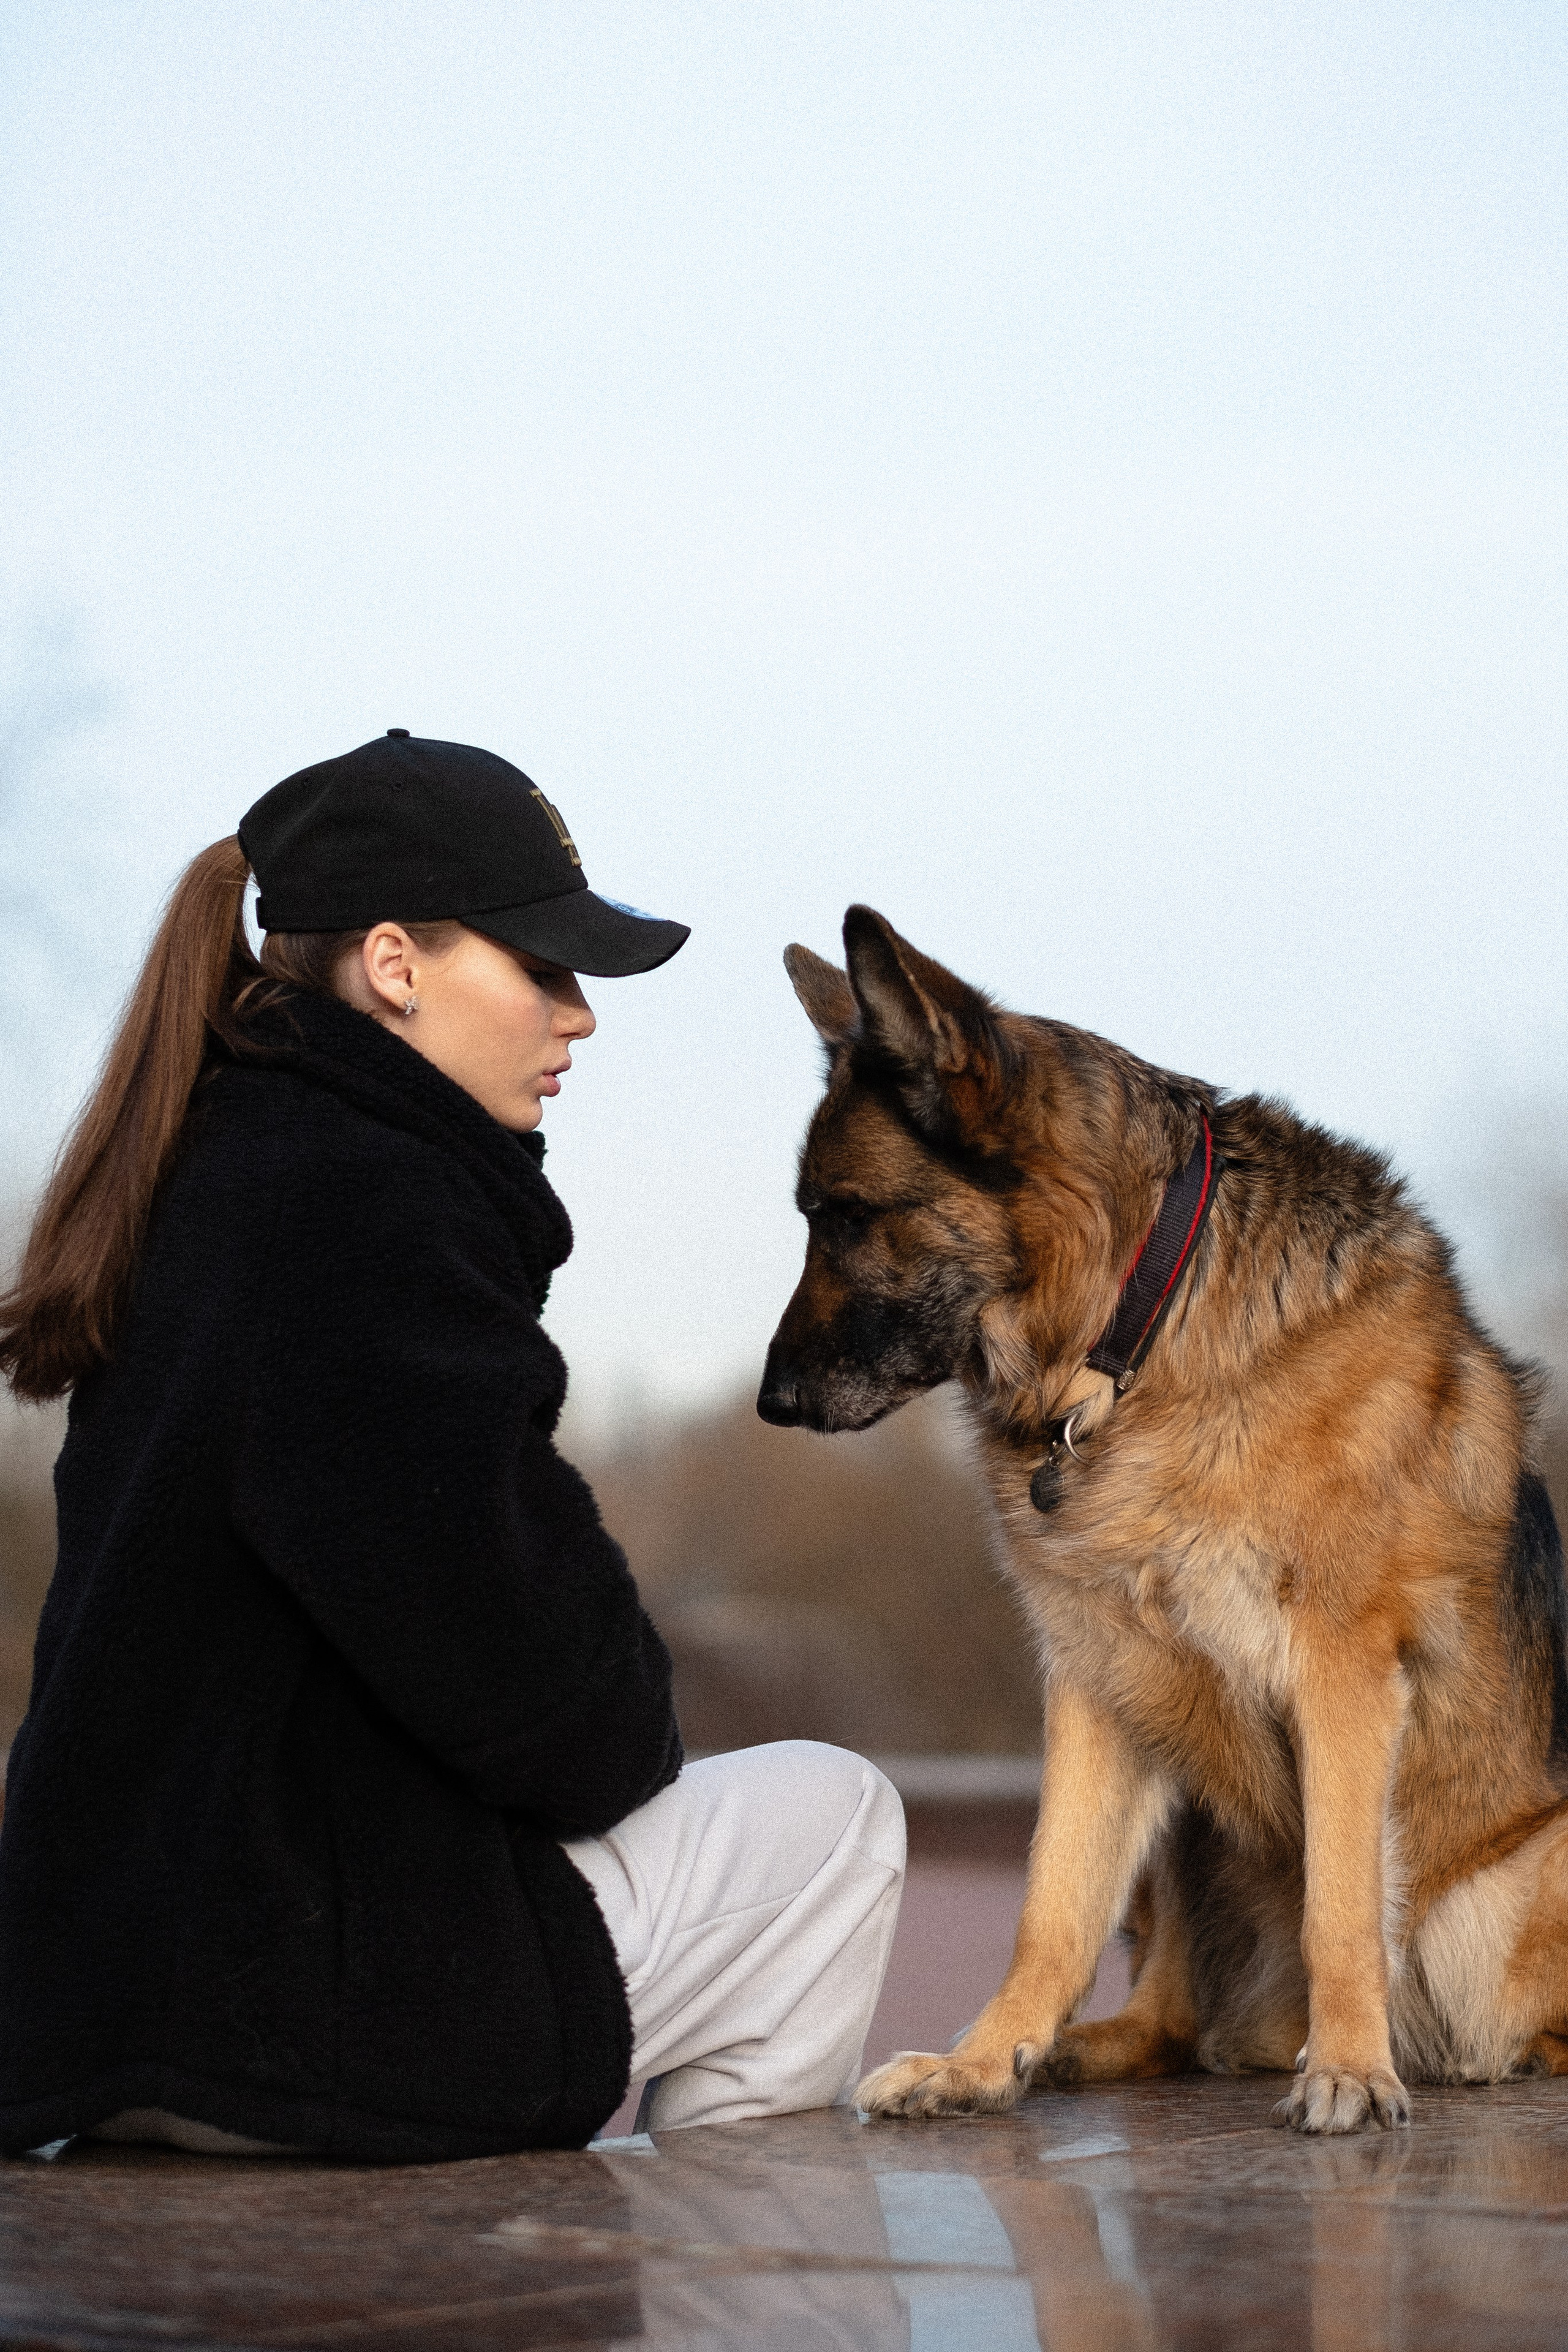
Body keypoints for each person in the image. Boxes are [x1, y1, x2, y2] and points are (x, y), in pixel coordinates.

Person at [0, 731, 905, 2161]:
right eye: (540, 968)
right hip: (291, 2019)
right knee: (834, 1820)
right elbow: (570, 1718)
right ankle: (741, 2299)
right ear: (394, 964)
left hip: (105, 2006)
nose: (577, 1017)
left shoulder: (223, 1169)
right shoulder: (365, 1206)